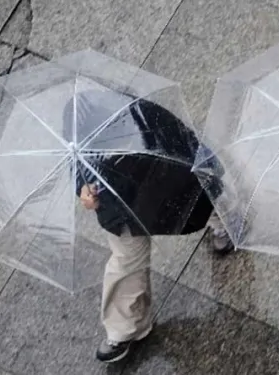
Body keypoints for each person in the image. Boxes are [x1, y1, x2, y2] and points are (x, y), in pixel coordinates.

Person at [65, 90, 234, 362]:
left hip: (163, 181)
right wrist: (83, 189)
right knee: (126, 261)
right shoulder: (77, 114)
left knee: (199, 202)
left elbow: (185, 148)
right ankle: (125, 329)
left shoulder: (140, 112)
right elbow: (76, 163)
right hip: (118, 205)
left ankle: (226, 221)